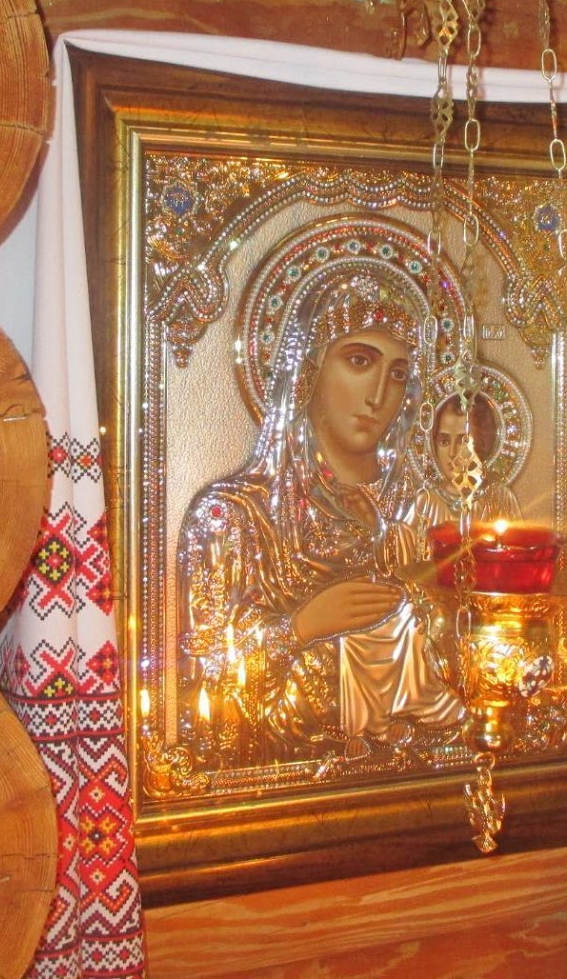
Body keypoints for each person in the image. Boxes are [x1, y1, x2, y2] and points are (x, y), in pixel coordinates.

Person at [175, 270, 463, 766]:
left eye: (398, 374)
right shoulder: (233, 516)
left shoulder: (422, 514)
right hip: (281, 783)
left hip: (422, 774)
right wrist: (301, 628)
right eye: (359, 361)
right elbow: (201, 686)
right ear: (308, 370)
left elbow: (465, 657)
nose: (378, 395)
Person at [406, 392, 522, 550]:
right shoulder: (426, 502)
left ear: (482, 443)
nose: (452, 453)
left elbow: (516, 549)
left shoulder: (500, 499)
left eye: (463, 441)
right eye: (444, 441)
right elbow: (407, 551)